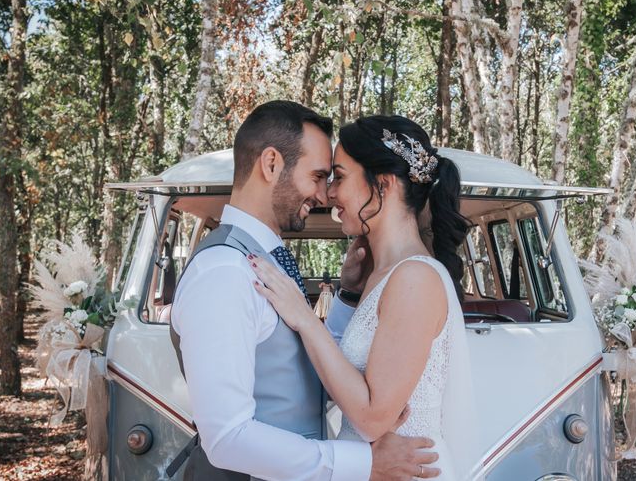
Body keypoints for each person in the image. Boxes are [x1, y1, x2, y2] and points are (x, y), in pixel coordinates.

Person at [169, 102, 440, 481]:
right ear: (271, 164)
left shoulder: (265, 261)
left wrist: (346, 297)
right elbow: (227, 437)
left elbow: (297, 370)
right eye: (317, 176)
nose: (324, 195)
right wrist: (364, 464)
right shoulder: (224, 271)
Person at [250, 115, 478, 480]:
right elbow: (350, 381)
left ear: (383, 184)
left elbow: (373, 418)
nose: (328, 193)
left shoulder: (415, 279)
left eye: (339, 177)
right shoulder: (382, 275)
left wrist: (305, 318)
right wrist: (348, 294)